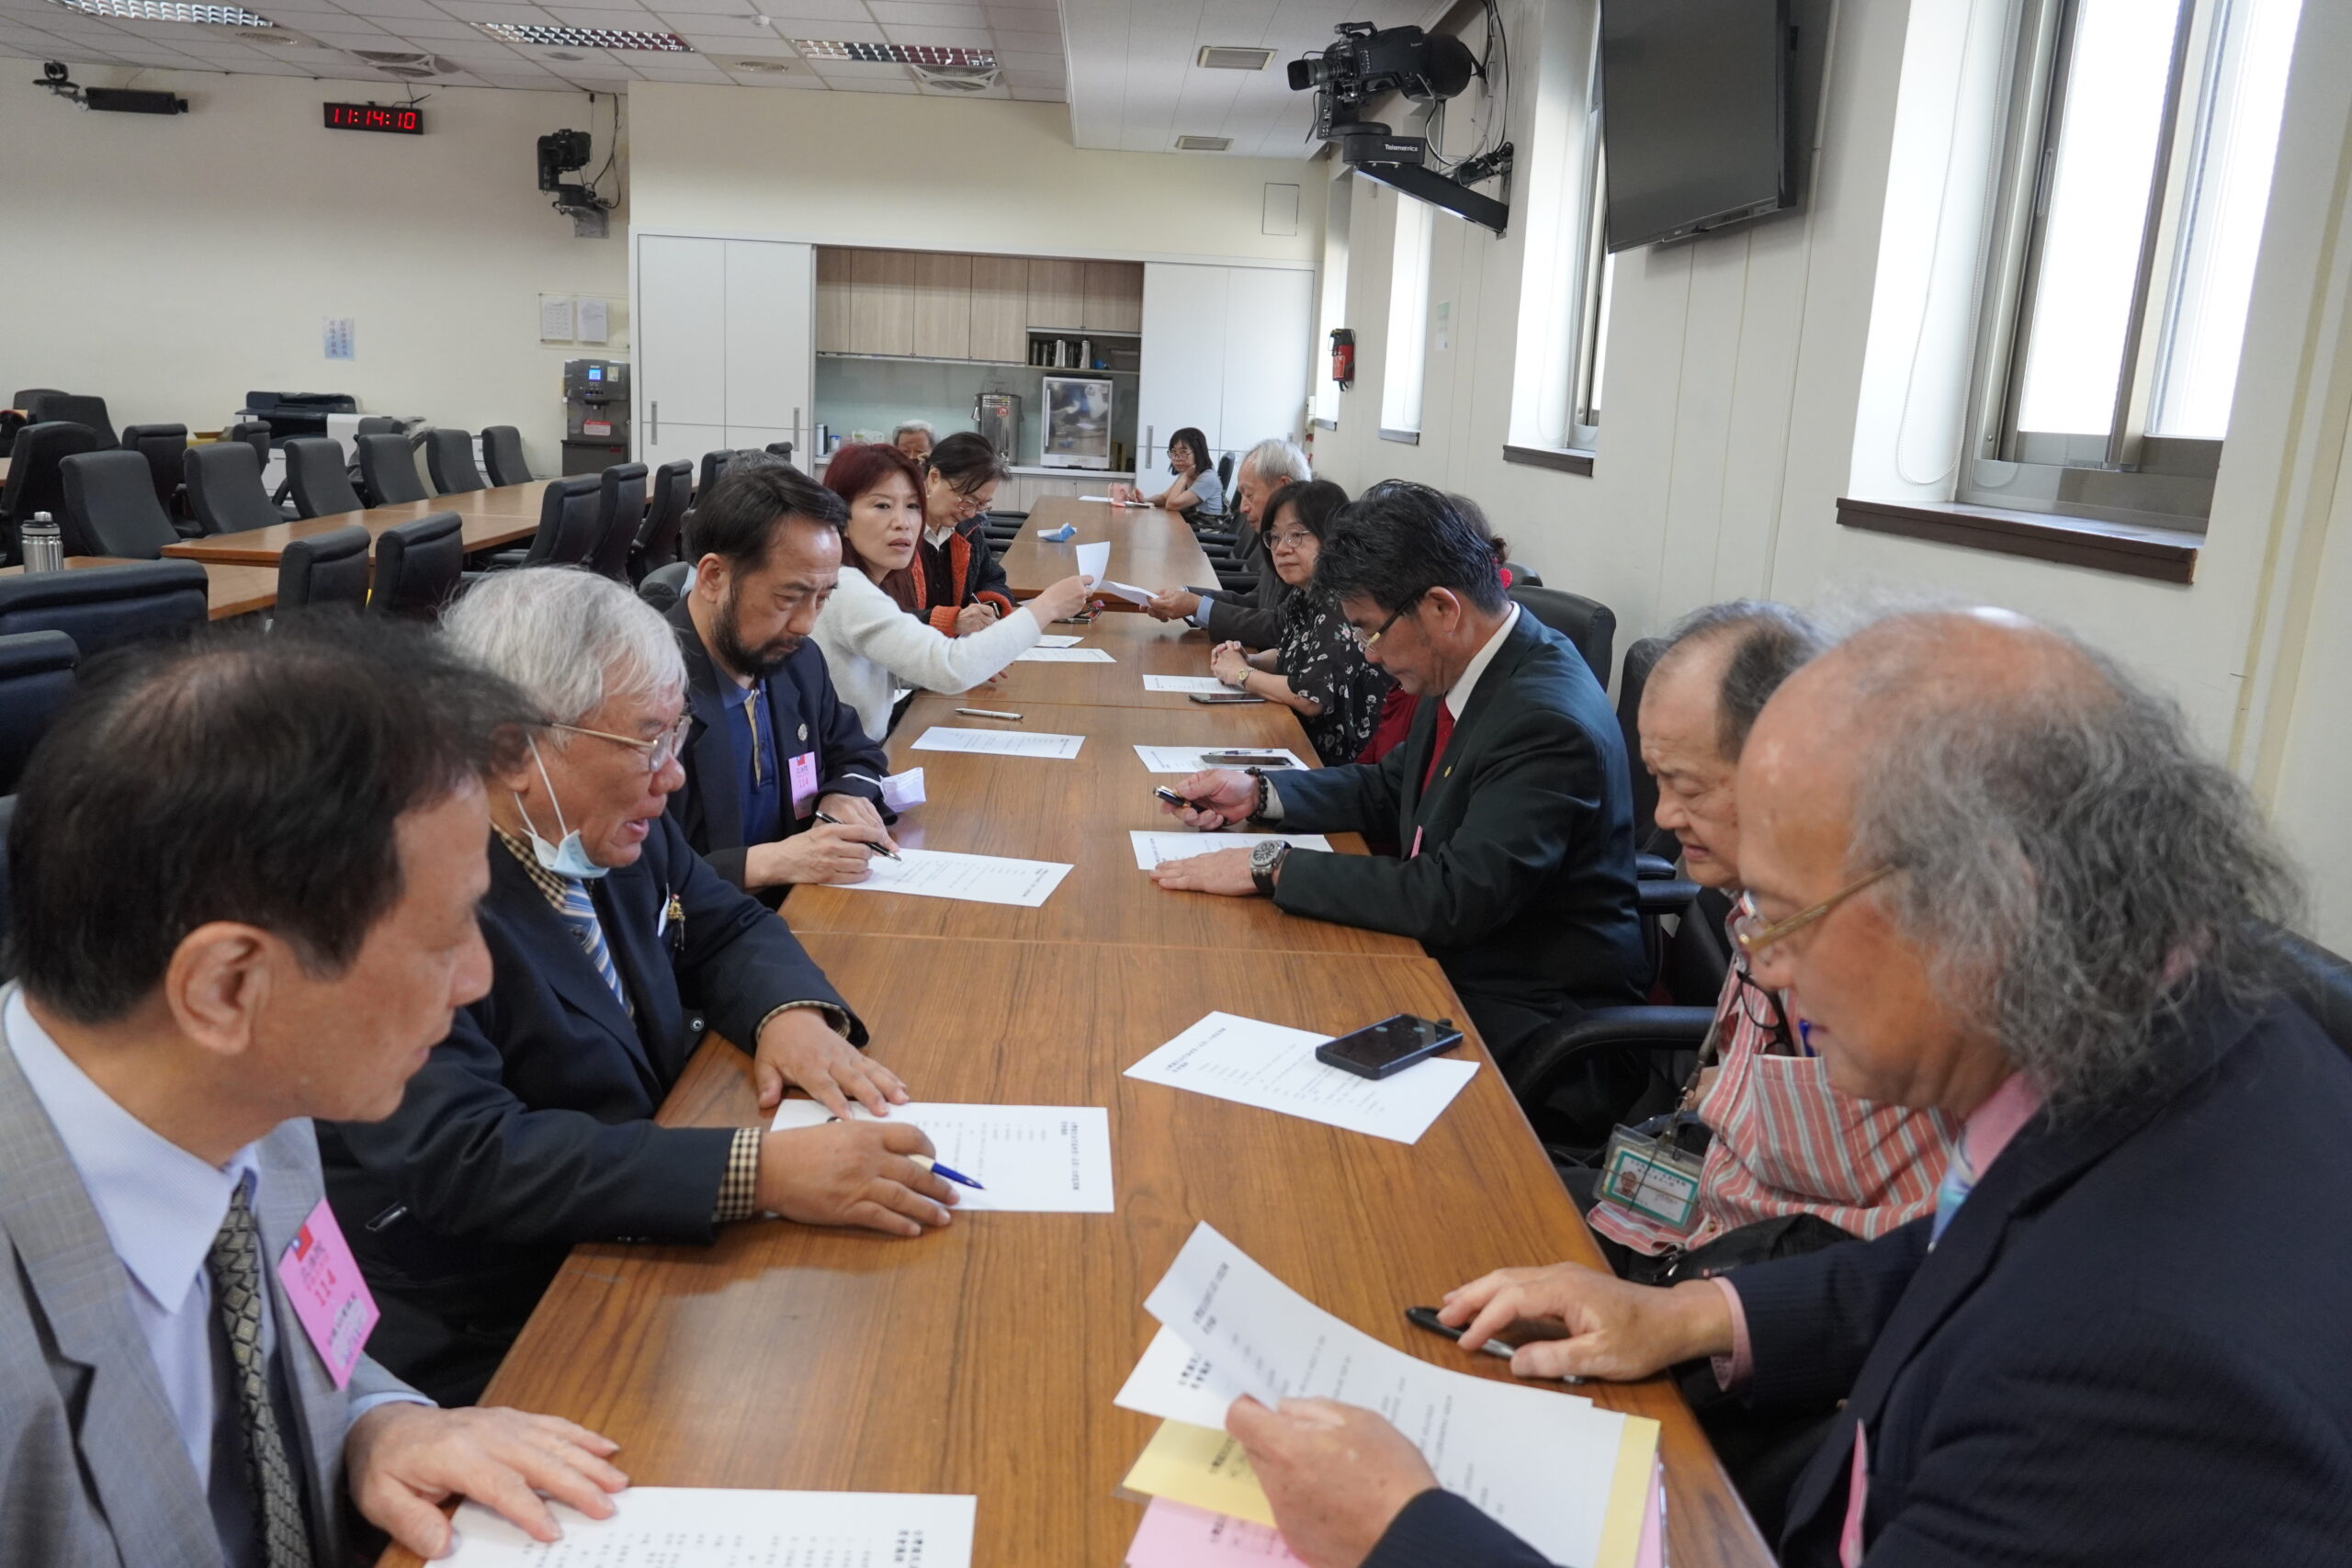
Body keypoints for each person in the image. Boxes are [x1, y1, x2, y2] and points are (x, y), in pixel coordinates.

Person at [1226, 607, 2352, 1568]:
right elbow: (1959, 1250)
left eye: (1784, 914)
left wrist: (1402, 1533)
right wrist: (1695, 1313)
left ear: (1986, 913)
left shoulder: (2143, 1374)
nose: (1760, 959)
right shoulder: (2190, 1022)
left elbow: (2039, 1309)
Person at [0, 615, 630, 1565]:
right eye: (444, 937)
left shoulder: (260, 1104)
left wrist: (376, 1421)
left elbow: (295, 1334)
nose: (477, 980)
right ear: (227, 987)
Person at [321, 569, 956, 1407]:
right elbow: (473, 1155)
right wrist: (757, 1170)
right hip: (499, 1316)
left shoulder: (603, 825)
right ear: (514, 748)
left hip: (631, 1223)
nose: (673, 774)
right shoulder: (401, 891)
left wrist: (789, 1015)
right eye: (647, 740)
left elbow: (726, 925)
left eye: (675, 732)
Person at [1150, 480, 1645, 1059]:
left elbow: (1453, 897)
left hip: (1525, 1011)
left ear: (1441, 608)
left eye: (1370, 629)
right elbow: (1391, 785)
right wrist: (1258, 794)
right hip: (1446, 961)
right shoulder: (1465, 661)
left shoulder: (1545, 722)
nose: (1368, 652)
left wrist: (1272, 866)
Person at [1585, 601, 1955, 1273]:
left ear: (1786, 768)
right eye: (1658, 780)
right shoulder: (1759, 895)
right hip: (1700, 1207)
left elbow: (1886, 1232)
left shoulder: (1889, 953)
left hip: (1762, 1274)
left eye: (1687, 787)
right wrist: (1733, 1088)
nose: (1663, 815)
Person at [667, 457, 899, 897]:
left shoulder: (796, 662)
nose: (806, 624)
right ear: (714, 578)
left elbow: (856, 752)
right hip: (703, 929)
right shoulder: (640, 695)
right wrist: (767, 864)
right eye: (789, 598)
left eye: (822, 598)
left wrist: (842, 796)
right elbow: (627, 880)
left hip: (800, 905)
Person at [815, 441, 1095, 739]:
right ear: (840, 517)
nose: (903, 523)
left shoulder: (857, 579)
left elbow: (898, 665)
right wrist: (1047, 606)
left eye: (912, 506)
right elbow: (949, 668)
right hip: (851, 755)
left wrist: (982, 658)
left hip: (864, 747)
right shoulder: (845, 588)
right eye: (882, 506)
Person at [1204, 479, 1393, 767]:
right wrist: (1250, 660)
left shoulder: (1342, 601)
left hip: (1333, 763)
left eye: (1296, 535)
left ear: (1332, 537)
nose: (1281, 549)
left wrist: (1242, 674)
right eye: (1275, 537)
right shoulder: (1305, 593)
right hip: (1296, 738)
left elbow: (1311, 697)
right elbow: (1295, 654)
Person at [1144, 436, 1311, 648]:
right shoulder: (1278, 538)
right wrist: (1187, 596)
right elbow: (1257, 602)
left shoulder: (1310, 547)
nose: (1242, 508)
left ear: (1283, 487)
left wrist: (1197, 606)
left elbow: (1281, 628)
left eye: (1249, 495)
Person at [911, 431, 1017, 635]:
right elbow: (882, 616)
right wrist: (950, 621)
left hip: (956, 649)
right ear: (934, 477)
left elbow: (991, 579)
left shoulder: (966, 530)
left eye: (981, 505)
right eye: (967, 501)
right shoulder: (898, 534)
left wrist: (988, 608)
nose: (970, 513)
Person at [1114, 424, 1223, 520]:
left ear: (1198, 453)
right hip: (1191, 529)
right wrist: (1143, 501)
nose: (1176, 458)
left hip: (1205, 533)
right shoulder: (1189, 473)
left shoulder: (1207, 478)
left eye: (1183, 452)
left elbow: (1171, 504)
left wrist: (1185, 475)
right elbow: (1164, 498)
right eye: (1174, 452)